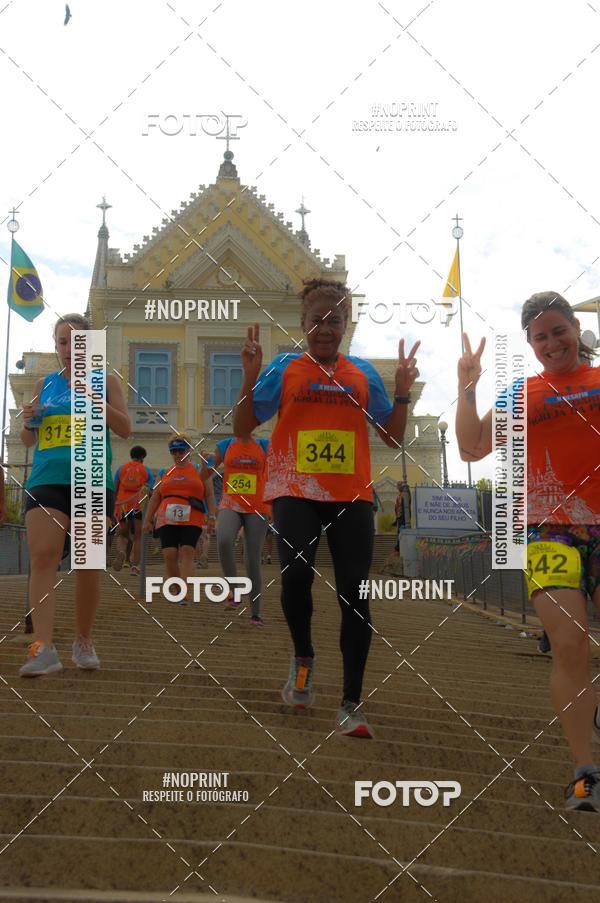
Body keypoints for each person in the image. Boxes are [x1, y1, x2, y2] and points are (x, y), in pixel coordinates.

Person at [233, 277, 420, 737]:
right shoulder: (285, 368)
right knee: (296, 578)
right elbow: (242, 427)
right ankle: (303, 657)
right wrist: (250, 376)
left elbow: (392, 437)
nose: (324, 328)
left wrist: (400, 394)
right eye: (316, 319)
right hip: (294, 491)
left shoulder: (361, 374)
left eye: (334, 320)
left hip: (351, 496)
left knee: (355, 596)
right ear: (303, 322)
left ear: (345, 324)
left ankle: (351, 702)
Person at [455, 291, 600, 811]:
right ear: (530, 344)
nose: (551, 343)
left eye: (558, 331)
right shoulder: (522, 394)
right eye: (540, 337)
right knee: (570, 646)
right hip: (546, 531)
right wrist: (467, 387)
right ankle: (586, 772)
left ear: (575, 328)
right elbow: (472, 447)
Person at [19, 313, 130, 676]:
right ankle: (44, 648)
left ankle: (83, 638)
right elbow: (27, 440)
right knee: (43, 556)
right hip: (46, 477)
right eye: (63, 341)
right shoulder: (43, 383)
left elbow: (125, 428)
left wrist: (93, 398)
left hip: (92, 477)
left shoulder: (106, 381)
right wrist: (28, 419)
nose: (69, 348)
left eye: (77, 341)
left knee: (88, 563)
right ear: (57, 346)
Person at [142, 434, 215, 604]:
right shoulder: (164, 473)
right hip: (166, 517)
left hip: (193, 515)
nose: (177, 454)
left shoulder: (199, 470)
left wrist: (212, 516)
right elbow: (154, 498)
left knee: (188, 551)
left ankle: (185, 592)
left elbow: (210, 495)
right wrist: (147, 519)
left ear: (188, 451)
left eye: (181, 450)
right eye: (173, 451)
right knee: (169, 554)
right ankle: (178, 587)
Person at [212, 434, 270, 624]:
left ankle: (256, 612)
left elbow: (278, 471)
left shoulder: (264, 445)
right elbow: (205, 473)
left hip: (257, 506)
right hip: (231, 502)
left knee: (252, 559)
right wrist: (206, 463)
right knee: (223, 540)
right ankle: (235, 591)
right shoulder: (224, 444)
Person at [112, 445, 153, 577]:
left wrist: (113, 507)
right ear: (143, 457)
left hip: (123, 504)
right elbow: (151, 492)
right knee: (137, 538)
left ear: (131, 456)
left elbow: (115, 488)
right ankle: (134, 567)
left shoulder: (121, 468)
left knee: (122, 534)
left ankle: (122, 552)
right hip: (138, 505)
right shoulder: (146, 470)